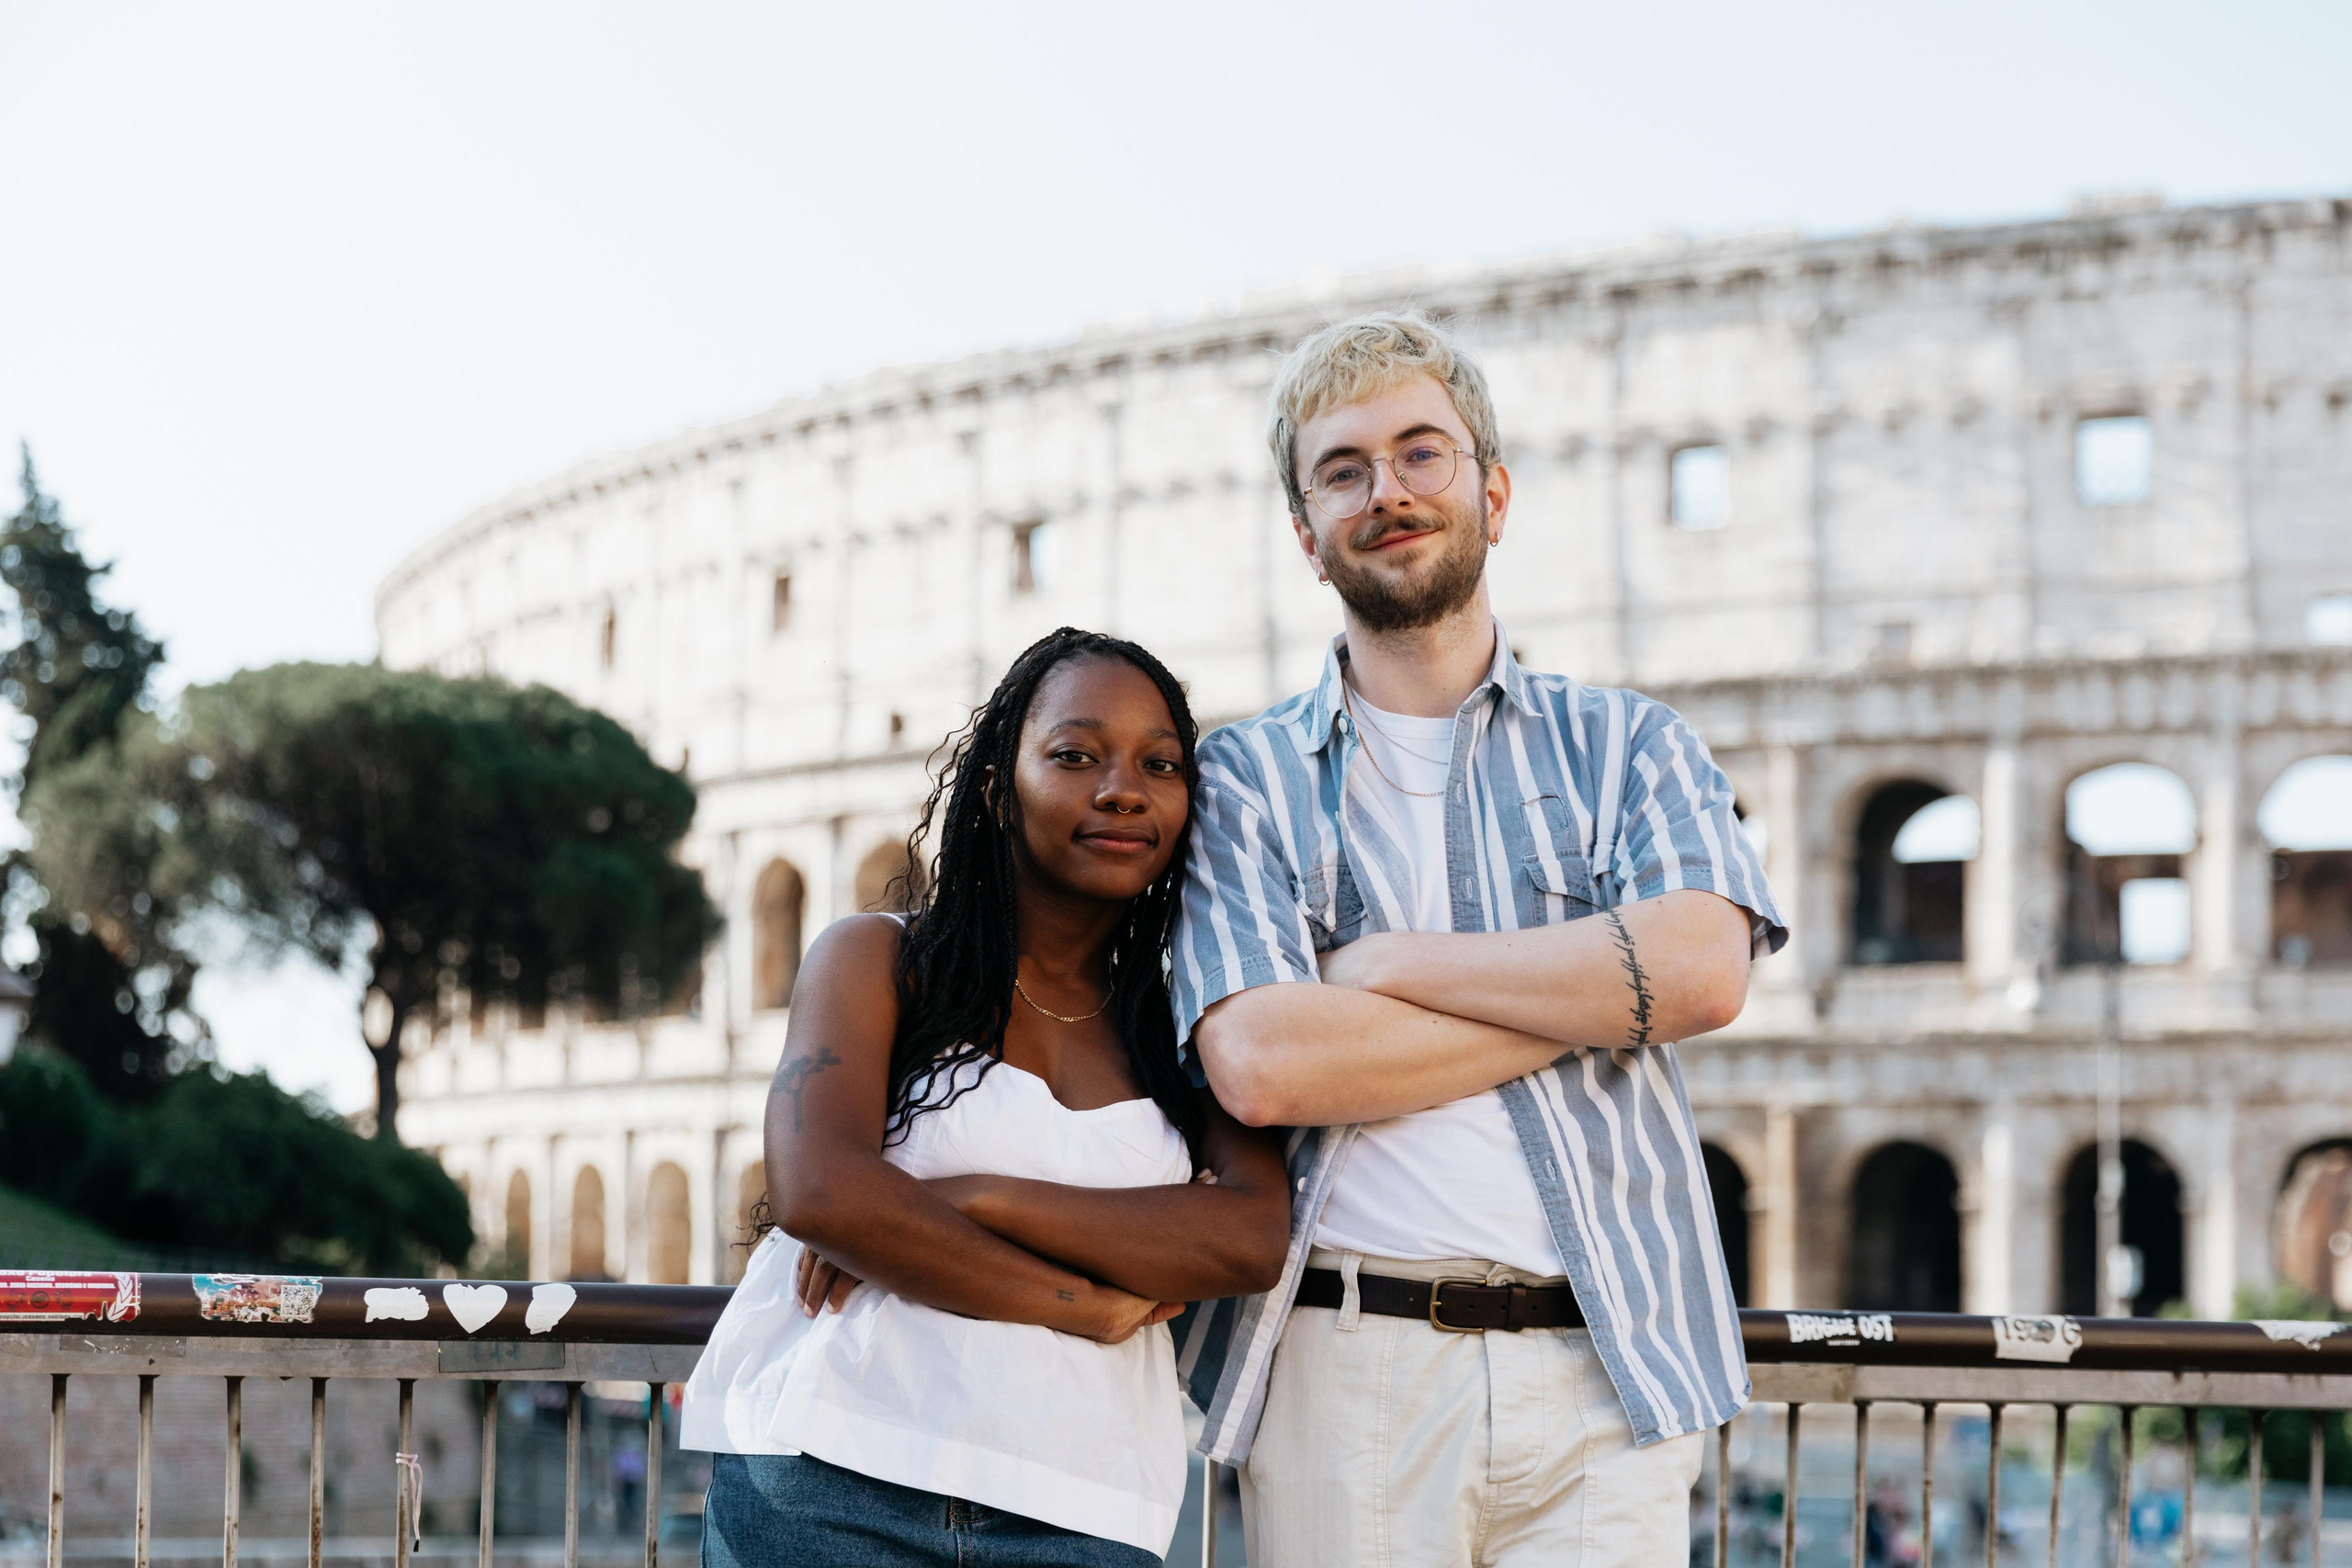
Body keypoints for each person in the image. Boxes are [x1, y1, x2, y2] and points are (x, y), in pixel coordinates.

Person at [1172, 311, 1789, 1566]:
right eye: (1343, 471)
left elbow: (1702, 973)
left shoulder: (1631, 742)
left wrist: (1385, 967)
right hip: (1345, 1370)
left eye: (1420, 453)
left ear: (1492, 494)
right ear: (1306, 536)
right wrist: (1591, 1000)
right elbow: (1264, 1065)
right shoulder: (1237, 778)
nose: (1386, 492)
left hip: (1609, 1365)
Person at [683, 627, 1292, 1566]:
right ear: (1001, 790)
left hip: (1082, 1512)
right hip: (827, 1477)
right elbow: (820, 1193)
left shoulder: (1190, 1019)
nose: (1122, 789)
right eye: (1075, 755)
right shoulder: (879, 958)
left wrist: (973, 1198)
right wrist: (1074, 1302)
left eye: (1159, 764)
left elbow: (1247, 1238)